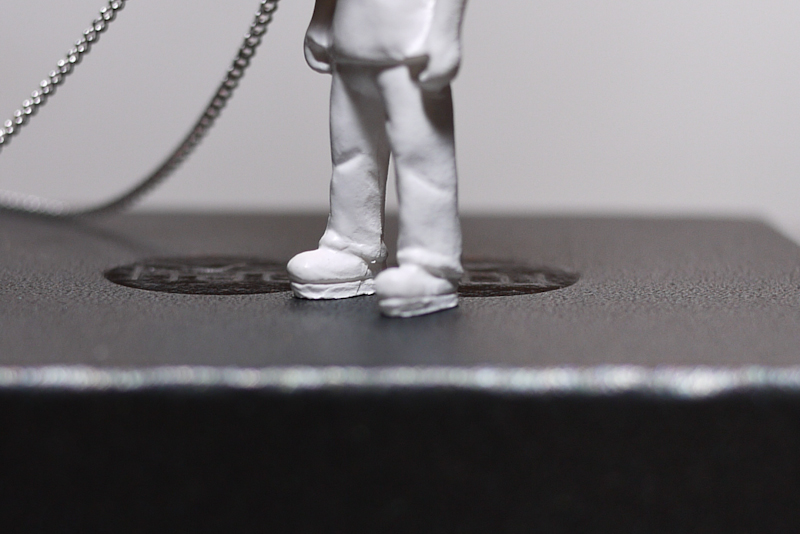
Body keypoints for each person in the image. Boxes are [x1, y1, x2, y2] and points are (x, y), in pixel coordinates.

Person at [287, 0, 469, 317]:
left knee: (421, 161)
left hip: (411, 46)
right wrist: (322, 18)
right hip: (350, 39)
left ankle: (432, 265)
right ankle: (351, 248)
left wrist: (444, 33)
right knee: (351, 155)